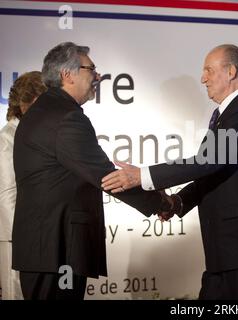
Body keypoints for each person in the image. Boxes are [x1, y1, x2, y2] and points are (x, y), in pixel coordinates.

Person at [102, 44, 238, 300]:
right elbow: (214, 171)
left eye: (208, 70)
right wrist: (179, 202)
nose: (203, 78)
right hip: (225, 248)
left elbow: (208, 161)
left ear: (230, 71)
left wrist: (143, 176)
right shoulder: (225, 114)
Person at [12, 42, 172, 300]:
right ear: (67, 74)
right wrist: (160, 203)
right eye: (91, 69)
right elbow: (106, 177)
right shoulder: (65, 117)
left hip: (45, 250)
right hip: (57, 250)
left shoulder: (44, 111)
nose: (98, 76)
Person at [0, 72, 47, 300]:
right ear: (26, 103)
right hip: (15, 237)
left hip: (32, 236)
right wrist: (25, 236)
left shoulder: (29, 134)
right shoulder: (7, 138)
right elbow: (7, 196)